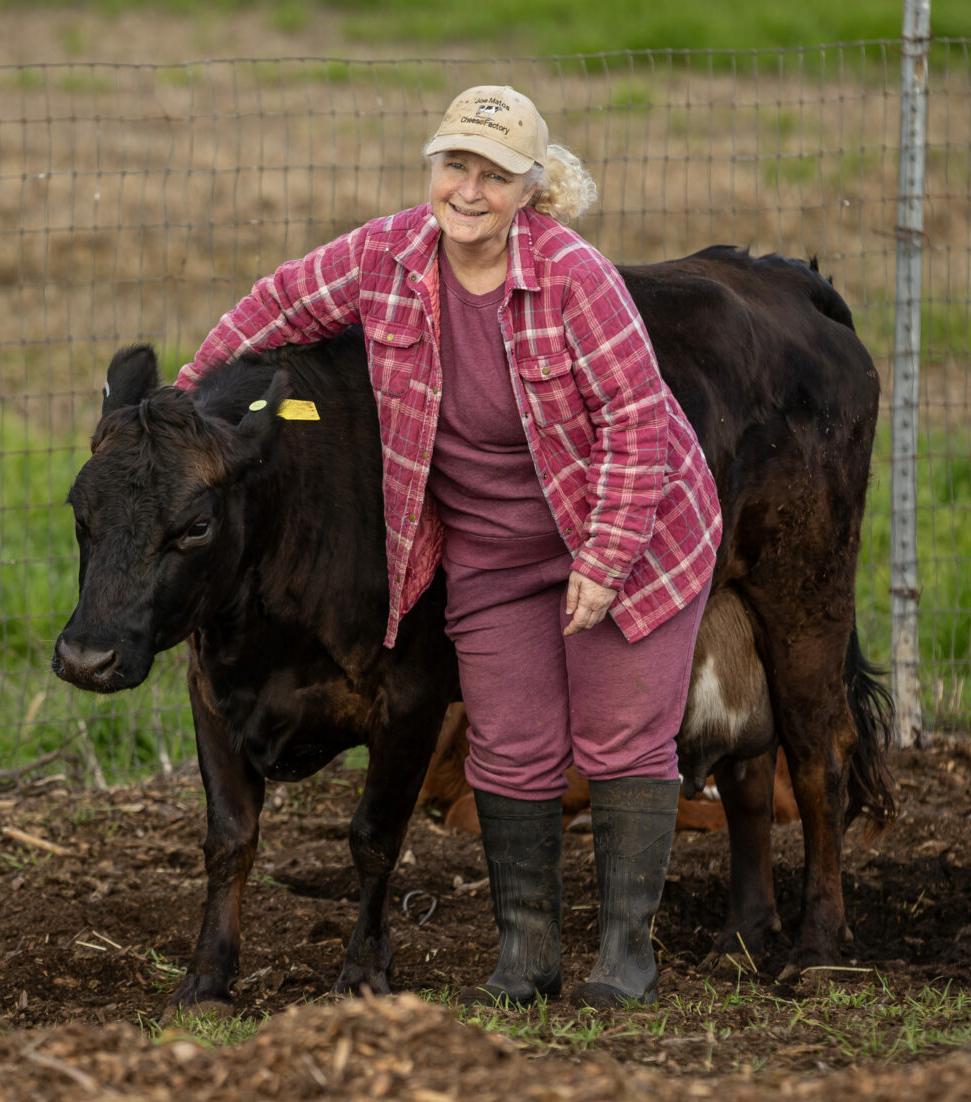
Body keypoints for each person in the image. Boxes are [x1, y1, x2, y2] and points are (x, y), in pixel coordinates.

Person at [177, 85, 722, 1009]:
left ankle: (626, 958)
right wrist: (181, 421)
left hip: (627, 528)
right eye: (455, 165)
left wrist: (601, 562)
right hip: (493, 549)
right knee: (509, 746)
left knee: (620, 735)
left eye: (495, 174)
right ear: (433, 169)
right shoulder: (389, 255)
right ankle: (527, 958)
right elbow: (277, 302)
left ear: (530, 190)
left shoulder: (574, 278)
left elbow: (639, 424)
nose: (469, 189)